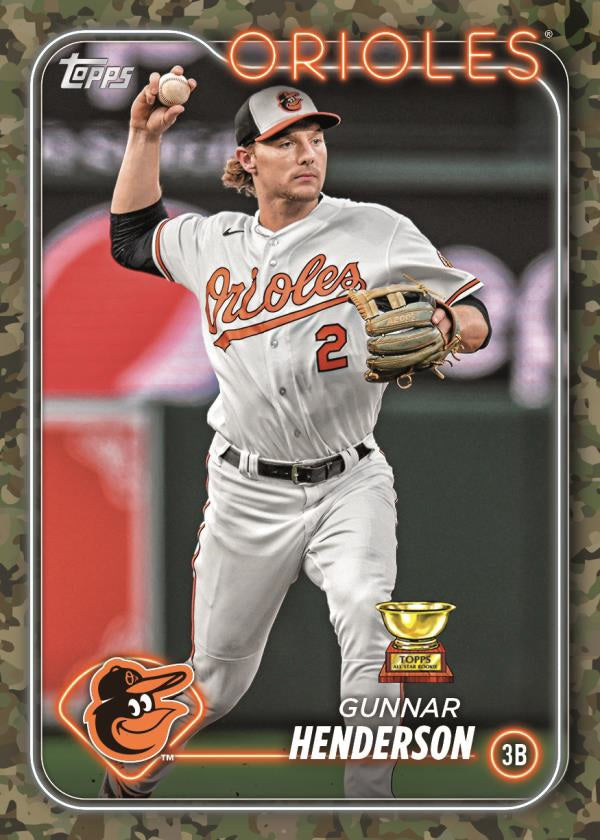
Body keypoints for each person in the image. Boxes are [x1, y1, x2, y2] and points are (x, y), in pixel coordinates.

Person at [104, 66, 491, 799]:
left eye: (315, 138)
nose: (308, 152)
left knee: (370, 619)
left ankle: (368, 804)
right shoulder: (211, 240)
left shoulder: (376, 229)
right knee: (218, 680)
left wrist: (446, 323)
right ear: (247, 159)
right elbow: (129, 238)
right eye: (285, 142)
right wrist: (142, 136)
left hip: (351, 480)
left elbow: (478, 317)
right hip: (246, 488)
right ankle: (140, 763)